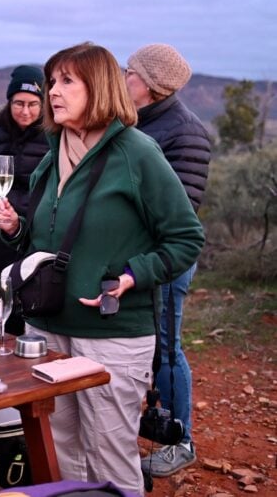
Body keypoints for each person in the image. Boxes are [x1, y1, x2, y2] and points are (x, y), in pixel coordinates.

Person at [0, 42, 204, 495]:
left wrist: (131, 275)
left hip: (111, 335)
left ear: (100, 87)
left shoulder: (137, 153)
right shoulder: (55, 150)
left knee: (110, 453)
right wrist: (15, 228)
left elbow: (186, 239)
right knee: (61, 445)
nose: (53, 92)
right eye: (52, 81)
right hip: (49, 328)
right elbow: (47, 238)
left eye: (67, 81)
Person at [125, 43, 212, 477]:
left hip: (164, 262)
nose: (125, 78)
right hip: (134, 259)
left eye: (131, 73)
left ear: (152, 85)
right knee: (138, 347)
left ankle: (182, 441)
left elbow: (180, 211)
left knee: (166, 350)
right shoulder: (136, 123)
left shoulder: (185, 131)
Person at [0, 65, 50, 335]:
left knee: (32, 292)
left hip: (36, 230)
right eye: (19, 103)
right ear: (9, 102)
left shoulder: (53, 137)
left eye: (33, 104)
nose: (25, 111)